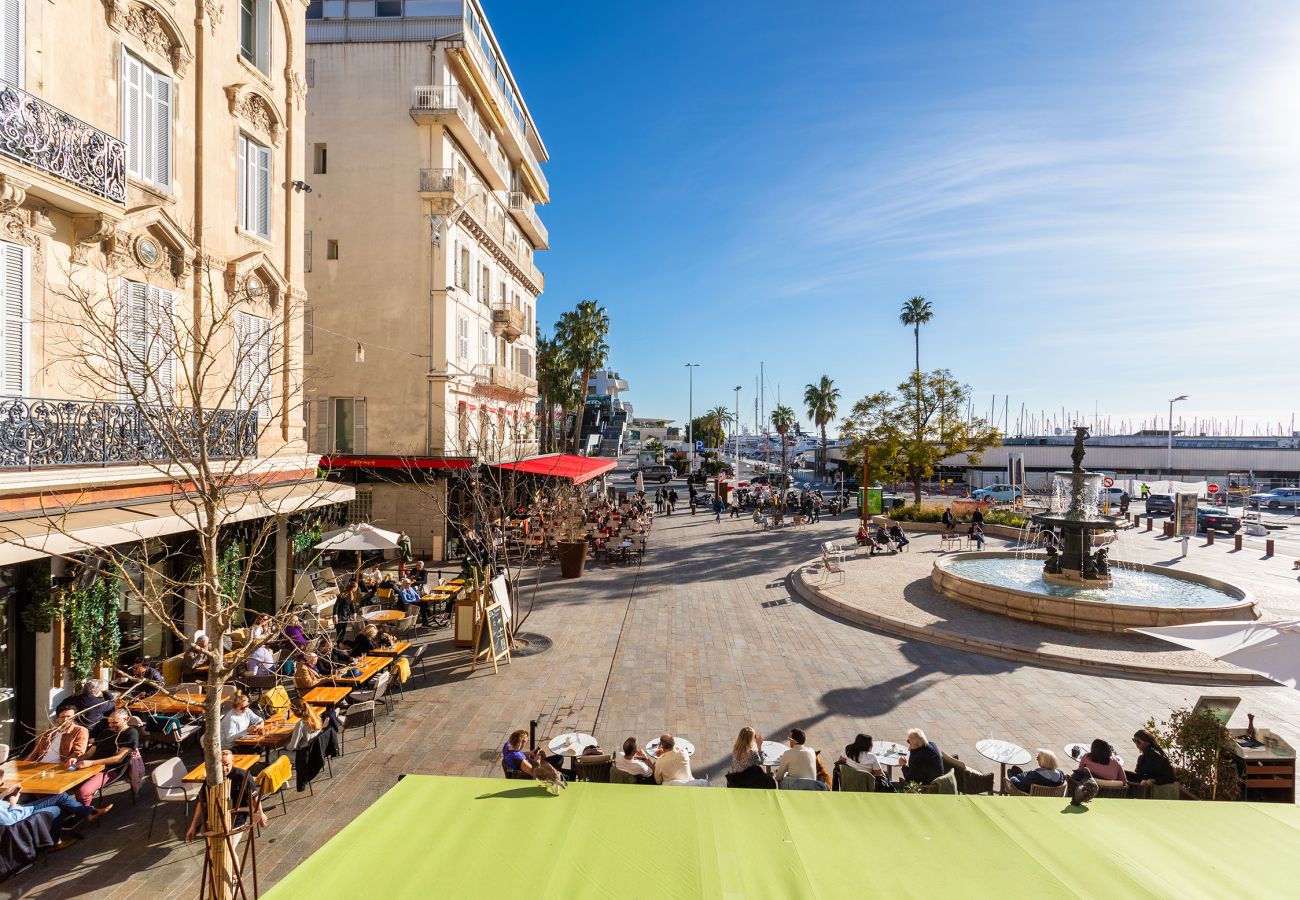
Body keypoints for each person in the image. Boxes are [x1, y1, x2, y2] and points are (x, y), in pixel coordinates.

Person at [0, 778, 109, 850]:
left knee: (60, 799)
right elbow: (10, 820)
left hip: (19, 810)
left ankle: (87, 813)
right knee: (58, 803)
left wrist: (5, 793)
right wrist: (13, 802)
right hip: (22, 817)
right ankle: (89, 812)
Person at [185, 749, 268, 841]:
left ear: (233, 761)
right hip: (214, 821)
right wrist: (193, 825)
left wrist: (261, 814)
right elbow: (202, 802)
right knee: (218, 853)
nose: (224, 769)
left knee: (228, 851)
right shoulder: (212, 778)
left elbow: (254, 797)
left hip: (235, 822)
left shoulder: (243, 777)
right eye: (221, 766)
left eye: (227, 765)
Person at [76, 708, 139, 804]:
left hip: (110, 770)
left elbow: (119, 758)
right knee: (60, 784)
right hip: (90, 767)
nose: (111, 725)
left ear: (126, 719)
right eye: (109, 722)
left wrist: (91, 763)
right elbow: (89, 754)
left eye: (115, 723)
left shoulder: (130, 733)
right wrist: (75, 759)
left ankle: (87, 816)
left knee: (83, 793)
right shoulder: (105, 732)